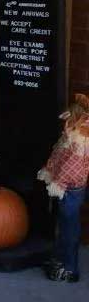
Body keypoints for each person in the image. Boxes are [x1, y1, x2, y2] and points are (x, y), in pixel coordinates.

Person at [38, 93, 89, 283]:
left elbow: (73, 168)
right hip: (68, 186)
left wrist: (59, 183)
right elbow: (59, 155)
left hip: (70, 188)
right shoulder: (72, 135)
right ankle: (59, 261)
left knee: (69, 228)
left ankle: (69, 268)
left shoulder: (80, 140)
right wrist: (50, 170)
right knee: (63, 225)